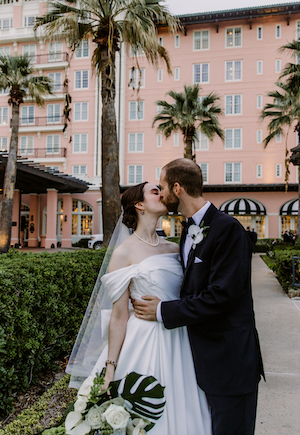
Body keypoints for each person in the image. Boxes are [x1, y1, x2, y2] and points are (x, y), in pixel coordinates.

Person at [66, 182, 212, 435]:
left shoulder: (175, 248)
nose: (162, 194)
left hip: (180, 339)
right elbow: (120, 315)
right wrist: (110, 366)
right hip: (144, 339)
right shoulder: (124, 253)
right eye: (155, 191)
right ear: (139, 204)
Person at [132, 158, 264, 435]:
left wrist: (163, 311)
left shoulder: (228, 229)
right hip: (201, 359)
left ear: (177, 188)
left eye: (163, 187)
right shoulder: (187, 231)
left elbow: (221, 296)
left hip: (230, 361)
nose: (162, 193)